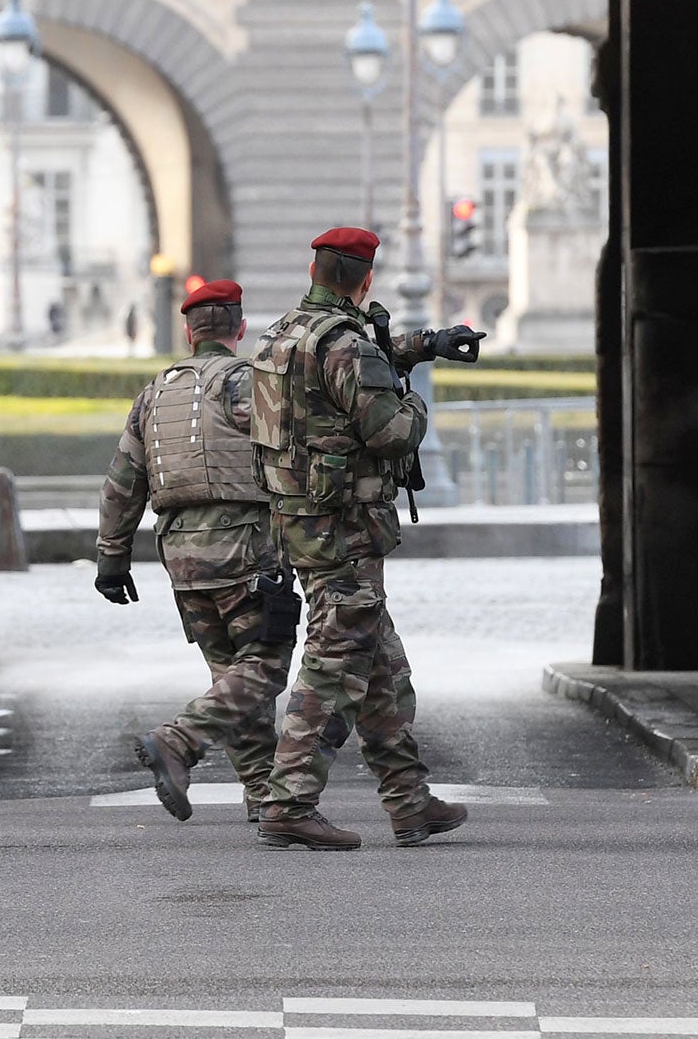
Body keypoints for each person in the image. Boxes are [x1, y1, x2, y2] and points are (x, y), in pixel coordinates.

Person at [249, 226, 483, 850]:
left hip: (299, 523)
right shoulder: (347, 345)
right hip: (345, 531)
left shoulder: (279, 336)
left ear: (316, 271)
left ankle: (410, 803)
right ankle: (288, 801)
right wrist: (417, 406)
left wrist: (423, 346)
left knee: (382, 669)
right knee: (333, 665)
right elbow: (390, 432)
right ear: (366, 279)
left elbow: (335, 380)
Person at [94, 279, 299, 825]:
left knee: (230, 675)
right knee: (265, 665)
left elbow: (122, 483)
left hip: (182, 559)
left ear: (189, 331)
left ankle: (262, 794)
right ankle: (179, 740)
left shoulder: (153, 394)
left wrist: (111, 560)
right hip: (247, 551)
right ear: (240, 328)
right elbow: (292, 463)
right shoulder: (251, 385)